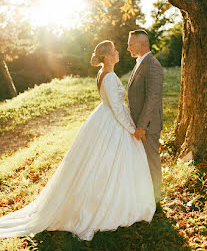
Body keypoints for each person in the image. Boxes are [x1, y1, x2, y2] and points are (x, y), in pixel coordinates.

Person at [0, 40, 156, 241]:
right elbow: (117, 109)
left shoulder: (104, 73)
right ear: (108, 56)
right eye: (115, 51)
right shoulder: (108, 77)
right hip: (112, 122)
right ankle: (110, 206)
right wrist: (133, 129)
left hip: (104, 119)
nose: (118, 52)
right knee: (109, 164)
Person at [127, 30, 164, 205]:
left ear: (143, 44)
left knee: (152, 163)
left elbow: (152, 99)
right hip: (139, 125)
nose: (128, 47)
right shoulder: (140, 63)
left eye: (131, 43)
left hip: (148, 126)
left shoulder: (152, 65)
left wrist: (141, 126)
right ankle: (146, 199)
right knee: (144, 163)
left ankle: (156, 202)